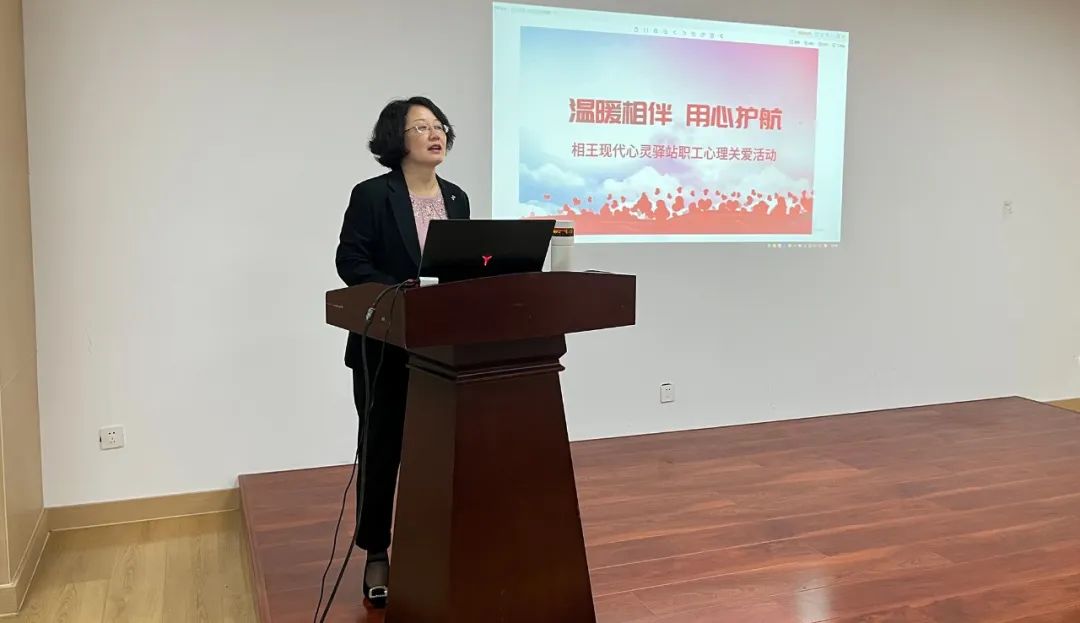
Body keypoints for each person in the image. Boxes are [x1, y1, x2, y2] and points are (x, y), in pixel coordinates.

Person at [334, 96, 470, 608]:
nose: (436, 134)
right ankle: (376, 550)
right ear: (397, 138)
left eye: (440, 126)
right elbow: (351, 261)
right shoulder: (372, 195)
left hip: (442, 349)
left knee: (437, 452)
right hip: (386, 348)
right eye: (422, 127)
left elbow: (460, 266)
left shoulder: (456, 198)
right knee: (382, 449)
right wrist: (403, 292)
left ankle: (429, 541)